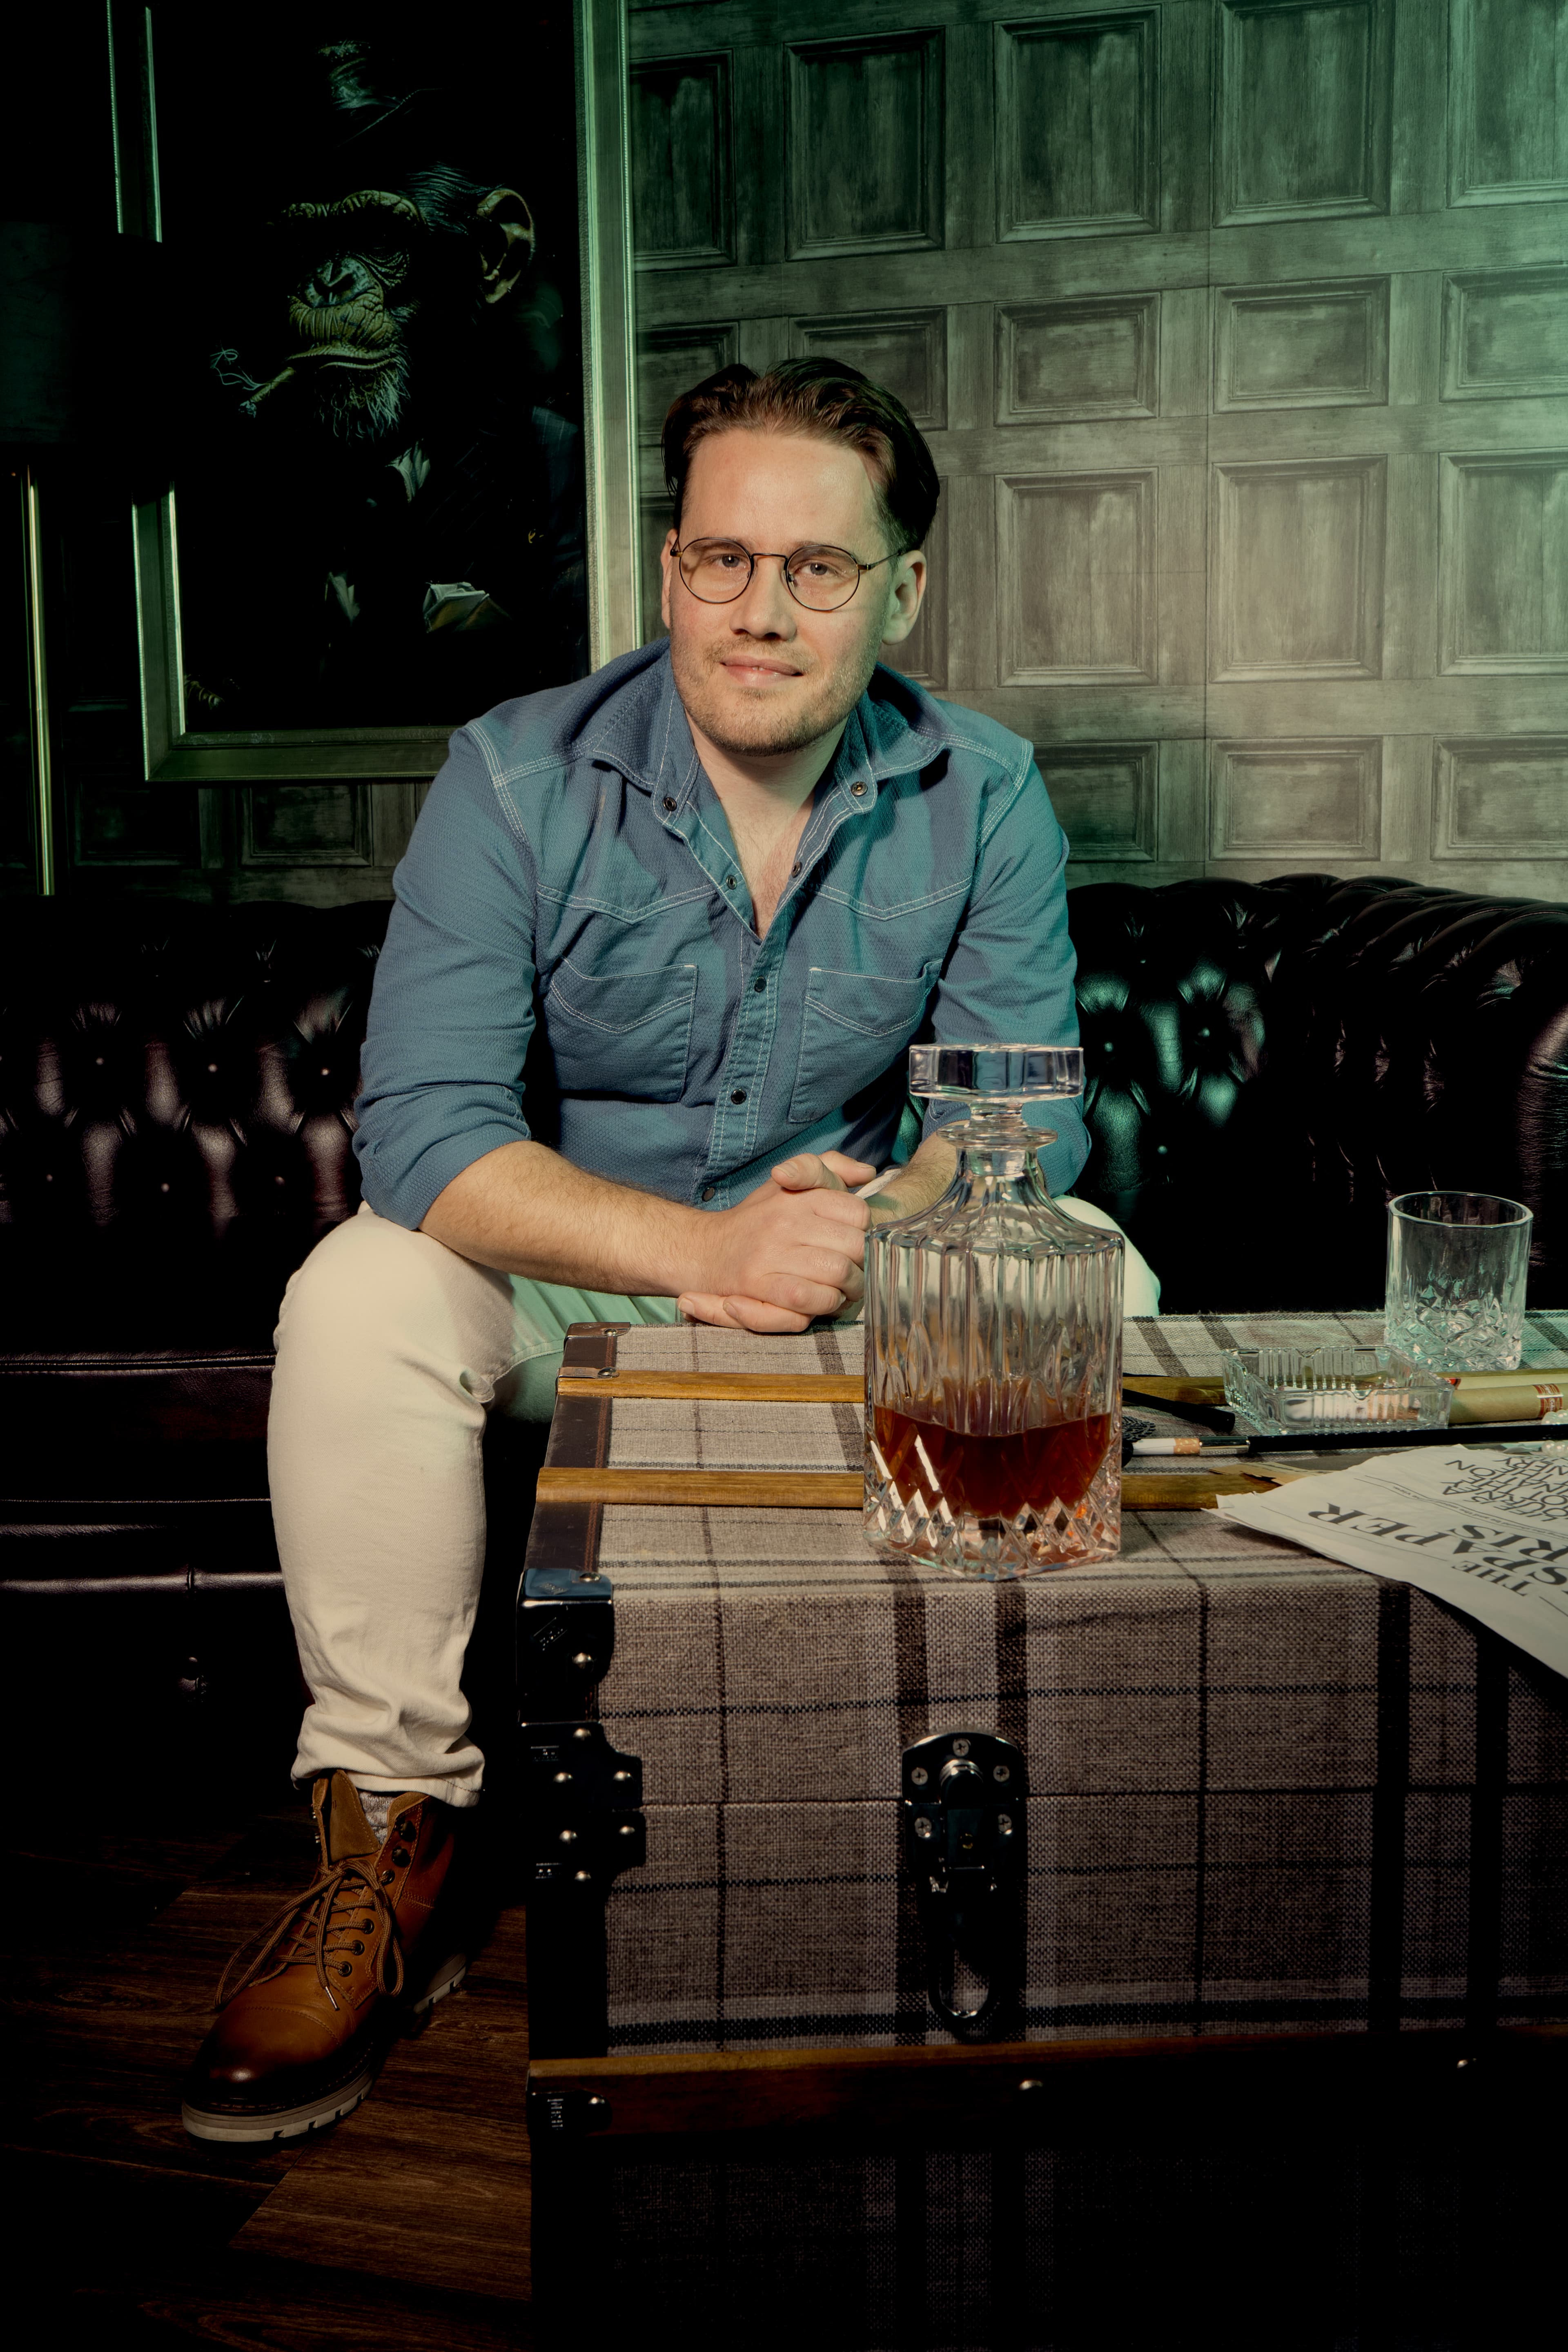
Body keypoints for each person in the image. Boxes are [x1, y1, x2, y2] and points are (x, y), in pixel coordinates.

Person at [181, 360, 1159, 2143]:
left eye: (820, 569)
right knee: (358, 1291)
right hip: (600, 1275)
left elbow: (1017, 1118)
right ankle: (391, 1839)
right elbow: (426, 1138)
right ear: (665, 570)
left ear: (904, 588)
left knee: (1105, 1264)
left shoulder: (985, 788)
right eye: (722, 560)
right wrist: (705, 1249)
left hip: (857, 1277)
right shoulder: (513, 773)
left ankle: (1032, 1797)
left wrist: (882, 1223)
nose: (762, 613)